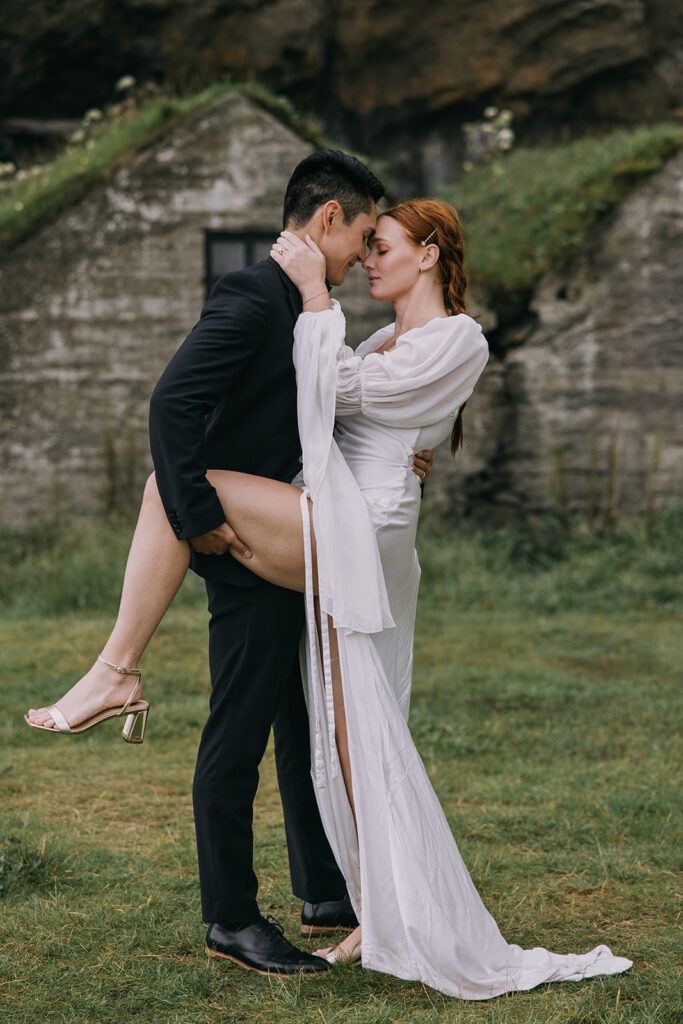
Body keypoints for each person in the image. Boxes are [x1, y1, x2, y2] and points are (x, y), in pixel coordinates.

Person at [27, 187, 633, 996]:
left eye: (384, 246)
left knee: (171, 489)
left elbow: (347, 395)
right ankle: (372, 908)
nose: (368, 259)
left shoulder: (461, 336)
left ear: (427, 255)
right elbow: (346, 409)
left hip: (361, 528)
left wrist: (313, 295)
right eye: (366, 243)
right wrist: (399, 433)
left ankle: (117, 669)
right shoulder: (386, 335)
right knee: (347, 730)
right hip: (335, 514)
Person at [25, 151, 432, 977]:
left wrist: (397, 454)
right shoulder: (255, 296)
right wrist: (201, 520)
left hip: (287, 529)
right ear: (327, 219)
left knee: (297, 714)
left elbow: (315, 415)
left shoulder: (307, 304)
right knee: (238, 729)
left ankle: (321, 889)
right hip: (245, 544)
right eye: (360, 233)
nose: (362, 254)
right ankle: (231, 919)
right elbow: (173, 403)